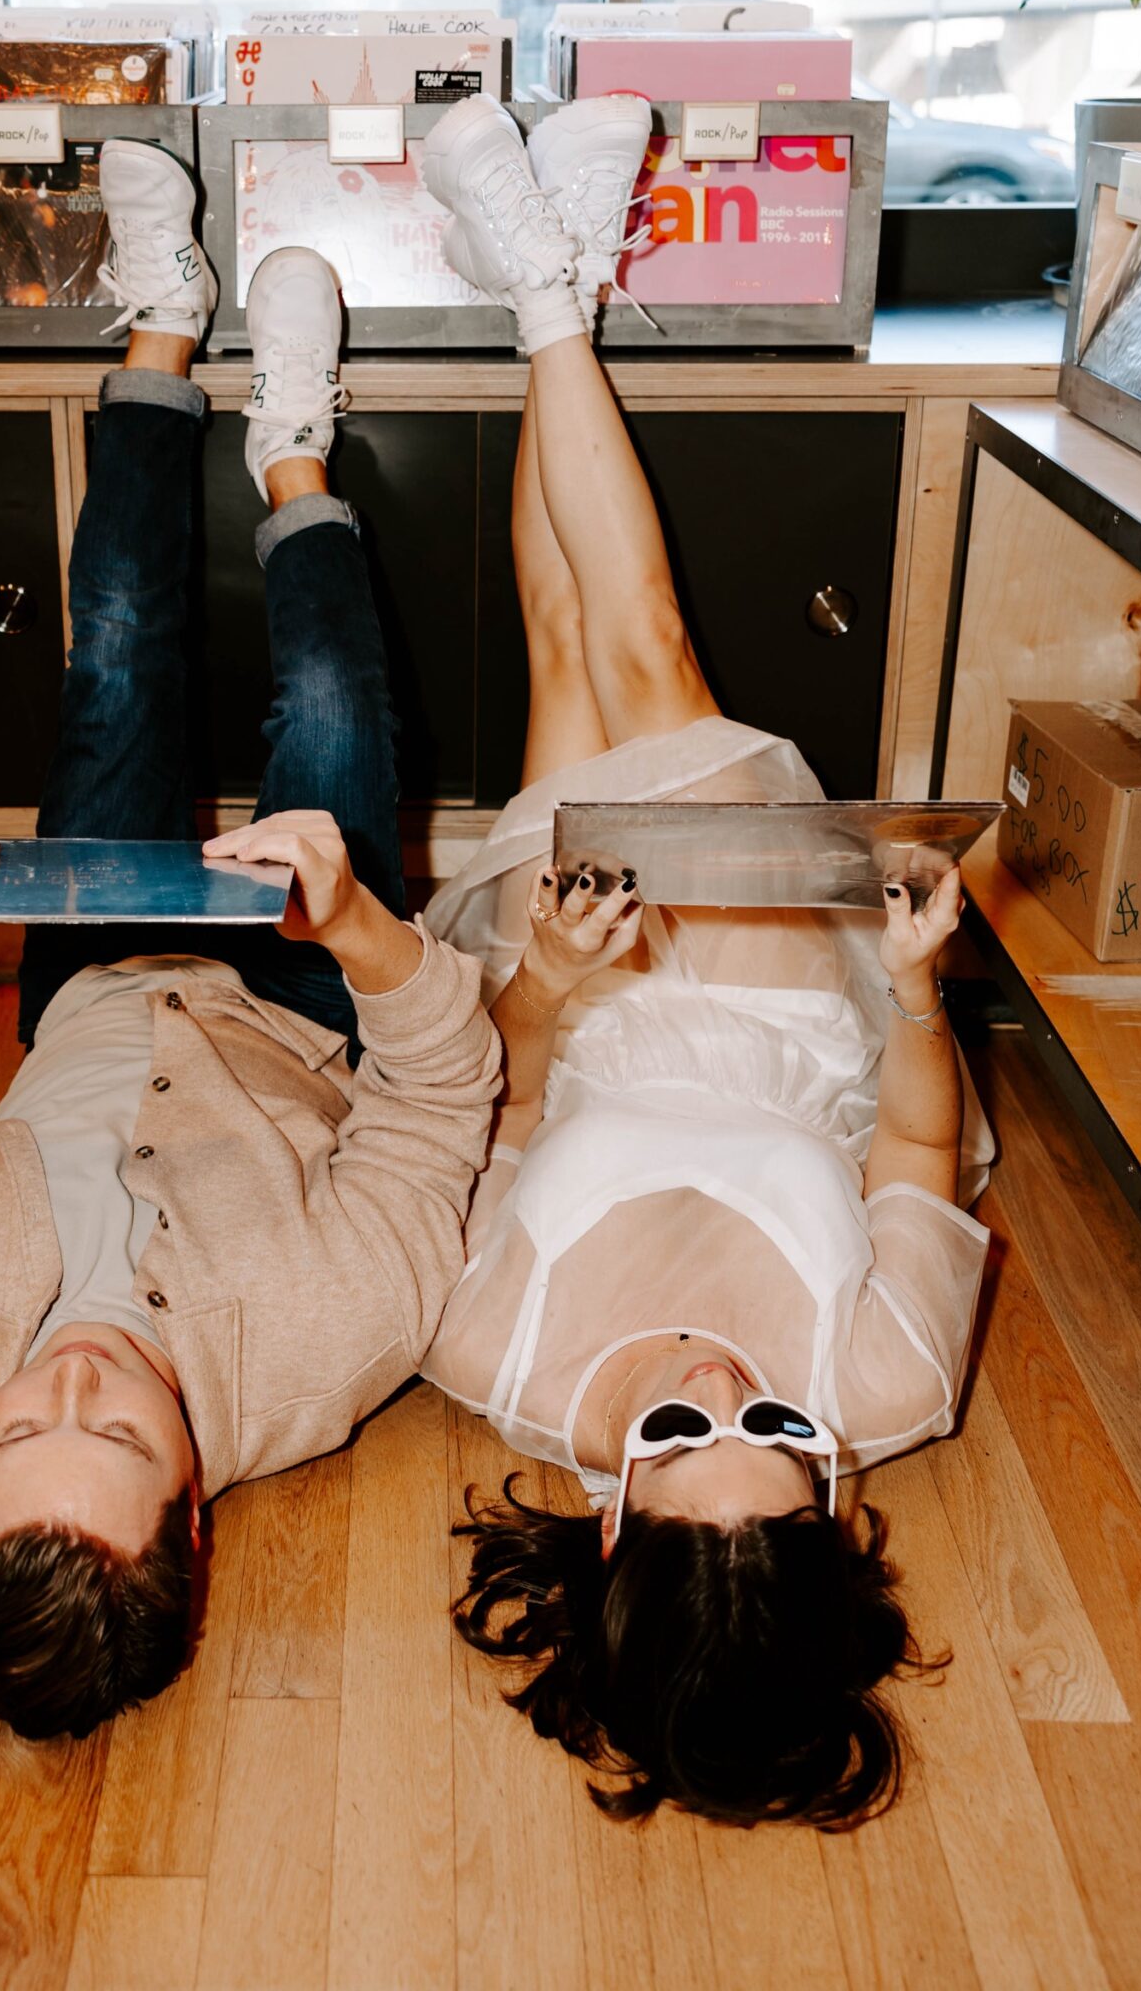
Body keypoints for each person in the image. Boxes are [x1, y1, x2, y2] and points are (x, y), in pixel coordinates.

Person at [0, 135, 500, 1743]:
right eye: (111, 1437)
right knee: (325, 705)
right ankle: (295, 455)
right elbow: (440, 1106)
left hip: (88, 976)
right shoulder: (333, 1349)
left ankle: (162, 331)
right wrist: (363, 931)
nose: (75, 1384)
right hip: (310, 993)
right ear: (193, 1518)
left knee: (111, 668)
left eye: (17, 1424)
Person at [413, 92, 994, 1828]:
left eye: (677, 1445)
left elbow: (488, 1101)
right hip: (792, 1018)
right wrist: (908, 997)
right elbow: (906, 1150)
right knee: (651, 655)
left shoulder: (483, 1352)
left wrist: (554, 977)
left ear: (606, 1520)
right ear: (832, 1502)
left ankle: (557, 274)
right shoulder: (892, 1387)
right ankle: (540, 281)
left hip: (568, 998)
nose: (727, 1396)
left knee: (566, 656)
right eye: (784, 1455)